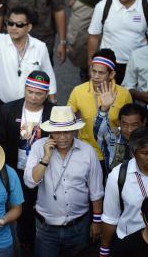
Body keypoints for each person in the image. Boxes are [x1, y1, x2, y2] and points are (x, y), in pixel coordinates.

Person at [24, 106, 104, 257]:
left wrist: (97, 222)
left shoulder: (88, 152)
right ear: (51, 132)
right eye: (58, 132)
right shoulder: (38, 148)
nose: (62, 137)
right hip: (46, 229)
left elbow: (96, 191)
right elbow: (30, 182)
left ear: (74, 131)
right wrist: (45, 159)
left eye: (67, 132)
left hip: (79, 226)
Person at [0, 71, 54, 254]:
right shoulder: (8, 109)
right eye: (30, 92)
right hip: (16, 169)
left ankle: (45, 240)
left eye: (39, 93)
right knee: (22, 207)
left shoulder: (53, 112)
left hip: (44, 169)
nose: (33, 97)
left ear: (47, 93)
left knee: (45, 206)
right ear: (25, 89)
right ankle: (26, 243)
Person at [0, 0, 57, 106]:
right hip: (5, 106)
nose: (14, 28)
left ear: (29, 27)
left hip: (32, 106)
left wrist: (52, 102)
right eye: (10, 23)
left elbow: (49, 74)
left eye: (19, 25)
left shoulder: (40, 47)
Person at [68, 49, 133, 167]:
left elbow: (131, 122)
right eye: (93, 71)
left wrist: (118, 129)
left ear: (112, 74)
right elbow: (67, 120)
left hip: (113, 154)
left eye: (101, 73)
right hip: (85, 153)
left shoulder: (124, 94)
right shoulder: (78, 91)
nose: (96, 76)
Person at [100, 127, 148, 256]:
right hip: (129, 245)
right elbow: (110, 217)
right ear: (133, 153)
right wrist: (104, 251)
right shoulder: (118, 175)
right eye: (145, 153)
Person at [88, 0, 148, 84]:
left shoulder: (146, 6)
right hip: (109, 64)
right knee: (108, 96)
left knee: (133, 97)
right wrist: (91, 66)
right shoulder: (102, 6)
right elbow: (94, 37)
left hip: (138, 65)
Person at [0, 0, 67, 63]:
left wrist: (62, 42)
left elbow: (59, 10)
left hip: (42, 40)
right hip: (13, 41)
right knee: (14, 72)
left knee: (40, 72)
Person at [65, 0, 109, 81]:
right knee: (77, 42)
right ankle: (85, 68)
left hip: (108, 2)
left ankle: (100, 72)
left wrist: (110, 0)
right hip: (83, 2)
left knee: (104, 40)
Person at [95, 102, 147, 173]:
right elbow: (99, 132)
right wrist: (104, 109)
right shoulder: (112, 140)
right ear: (119, 123)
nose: (129, 130)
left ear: (143, 123)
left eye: (134, 125)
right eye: (125, 124)